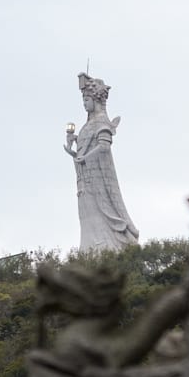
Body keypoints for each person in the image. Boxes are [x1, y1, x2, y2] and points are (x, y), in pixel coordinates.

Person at [64, 73, 139, 251]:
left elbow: (104, 147)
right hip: (85, 181)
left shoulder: (101, 121)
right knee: (87, 214)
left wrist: (84, 157)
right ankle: (90, 250)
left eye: (86, 100)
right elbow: (82, 154)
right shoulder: (86, 126)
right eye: (83, 100)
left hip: (99, 179)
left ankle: (108, 248)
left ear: (95, 100)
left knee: (103, 212)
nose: (84, 104)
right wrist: (71, 149)